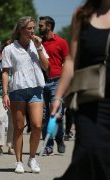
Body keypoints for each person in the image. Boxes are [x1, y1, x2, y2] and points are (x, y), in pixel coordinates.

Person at [52, 0, 110, 179]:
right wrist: (58, 96)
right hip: (89, 99)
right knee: (89, 151)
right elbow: (71, 60)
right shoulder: (82, 15)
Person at [2, 16, 49, 174]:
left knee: (36, 125)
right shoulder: (9, 49)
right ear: (21, 30)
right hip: (17, 90)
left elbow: (46, 66)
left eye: (33, 28)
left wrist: (40, 48)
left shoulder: (37, 46)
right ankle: (19, 161)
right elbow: (5, 72)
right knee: (19, 127)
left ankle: (32, 158)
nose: (32, 31)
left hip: (35, 89)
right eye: (29, 28)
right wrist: (5, 93)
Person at [38, 16, 68, 155]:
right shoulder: (37, 42)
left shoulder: (61, 42)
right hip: (41, 82)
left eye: (41, 25)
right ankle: (48, 145)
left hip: (57, 81)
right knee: (44, 116)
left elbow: (67, 63)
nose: (39, 28)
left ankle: (59, 138)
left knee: (56, 114)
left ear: (49, 26)